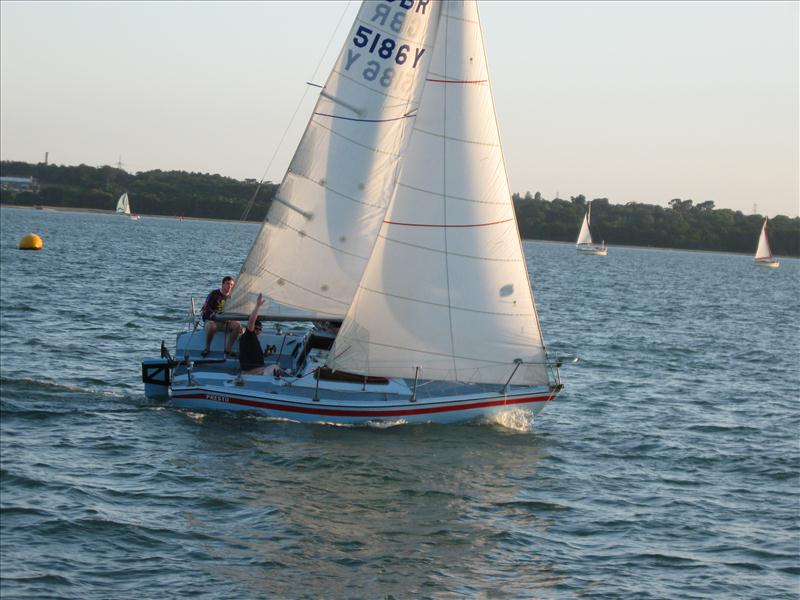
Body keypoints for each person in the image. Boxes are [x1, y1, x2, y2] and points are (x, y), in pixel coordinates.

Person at [201, 275, 242, 357]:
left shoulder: (232, 297)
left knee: (237, 326)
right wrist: (214, 315)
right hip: (213, 321)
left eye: (231, 285)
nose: (229, 286)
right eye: (227, 284)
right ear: (222, 284)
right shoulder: (214, 294)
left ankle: (228, 349)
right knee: (212, 326)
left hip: (226, 322)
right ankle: (207, 348)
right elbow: (206, 309)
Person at [239, 293, 266, 374]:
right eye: (256, 328)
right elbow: (251, 321)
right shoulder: (249, 335)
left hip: (250, 371)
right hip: (254, 372)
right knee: (276, 368)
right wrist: (257, 306)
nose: (257, 330)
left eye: (259, 329)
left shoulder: (247, 337)